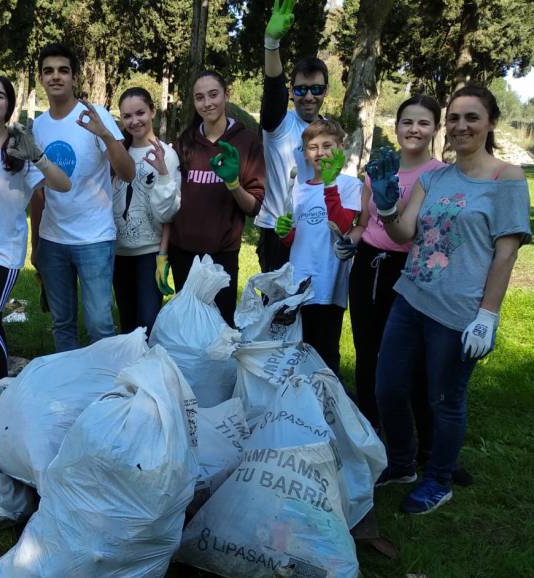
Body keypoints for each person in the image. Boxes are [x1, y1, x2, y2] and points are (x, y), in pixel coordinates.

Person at [373, 86, 531, 514]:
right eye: (455, 118)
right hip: (410, 297)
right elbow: (404, 233)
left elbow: (507, 250)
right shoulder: (435, 177)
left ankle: (439, 480)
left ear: (490, 123)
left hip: (458, 311)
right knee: (388, 388)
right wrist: (387, 205)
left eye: (472, 118)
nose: (461, 126)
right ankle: (402, 463)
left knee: (445, 400)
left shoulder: (507, 178)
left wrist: (487, 316)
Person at [335, 95, 445, 438]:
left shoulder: (440, 175)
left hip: (411, 269)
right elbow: (363, 223)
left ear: (435, 129)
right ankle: (369, 423)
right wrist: (348, 243)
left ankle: (417, 432)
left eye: (423, 122)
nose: (414, 129)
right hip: (370, 266)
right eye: (407, 122)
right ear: (396, 127)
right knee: (367, 348)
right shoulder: (379, 168)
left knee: (409, 356)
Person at [0, 73, 70, 382]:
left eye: (0, 95)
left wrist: (37, 155)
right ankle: (0, 378)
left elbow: (62, 184)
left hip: (2, 250)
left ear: (9, 105)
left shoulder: (18, 146)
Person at [30, 42, 136, 352]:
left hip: (94, 239)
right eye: (48, 71)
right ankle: (70, 386)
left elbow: (128, 173)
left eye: (63, 70)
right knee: (62, 324)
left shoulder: (95, 114)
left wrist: (105, 134)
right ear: (41, 78)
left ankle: (103, 387)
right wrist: (36, 247)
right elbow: (39, 193)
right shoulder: (38, 126)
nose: (56, 77)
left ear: (74, 77)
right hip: (53, 240)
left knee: (99, 324)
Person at [171, 70, 265, 325]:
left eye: (213, 94)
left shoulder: (246, 142)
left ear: (226, 95)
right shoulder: (185, 142)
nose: (207, 103)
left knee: (219, 328)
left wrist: (233, 183)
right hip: (183, 253)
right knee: (187, 327)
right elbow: (170, 197)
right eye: (199, 97)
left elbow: (254, 207)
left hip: (222, 255)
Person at [274, 119, 360, 377]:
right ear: (305, 152)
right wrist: (285, 233)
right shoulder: (298, 189)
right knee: (298, 347)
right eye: (313, 147)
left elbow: (343, 227)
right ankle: (299, 401)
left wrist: (330, 185)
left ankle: (326, 402)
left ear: (341, 147)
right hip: (298, 284)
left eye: (327, 145)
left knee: (325, 351)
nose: (320, 152)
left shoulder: (350, 185)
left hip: (328, 284)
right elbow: (295, 239)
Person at [256, 0, 330, 273]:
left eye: (316, 89)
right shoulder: (278, 123)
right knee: (278, 311)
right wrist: (271, 43)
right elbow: (274, 89)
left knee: (313, 305)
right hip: (278, 231)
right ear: (292, 91)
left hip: (316, 230)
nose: (308, 96)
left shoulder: (331, 131)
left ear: (325, 91)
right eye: (300, 90)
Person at [112, 87, 181, 333]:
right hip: (118, 253)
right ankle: (130, 371)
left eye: (140, 112)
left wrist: (163, 255)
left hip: (149, 253)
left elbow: (168, 213)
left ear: (152, 111)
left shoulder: (167, 154)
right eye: (127, 116)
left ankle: (151, 370)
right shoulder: (118, 152)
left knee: (148, 324)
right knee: (128, 325)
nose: (134, 121)